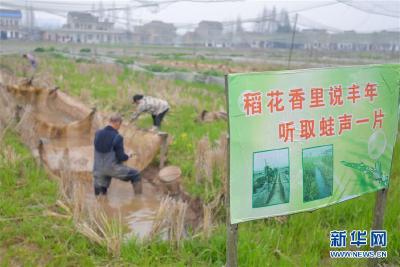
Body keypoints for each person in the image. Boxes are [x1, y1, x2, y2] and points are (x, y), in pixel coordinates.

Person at [93, 114, 142, 196]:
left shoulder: (97, 133)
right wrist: (128, 156)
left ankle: (100, 206)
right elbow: (121, 157)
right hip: (112, 168)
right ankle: (138, 200)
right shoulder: (118, 137)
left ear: (109, 121)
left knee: (100, 197)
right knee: (136, 174)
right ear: (118, 123)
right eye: (120, 125)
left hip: (97, 169)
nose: (119, 127)